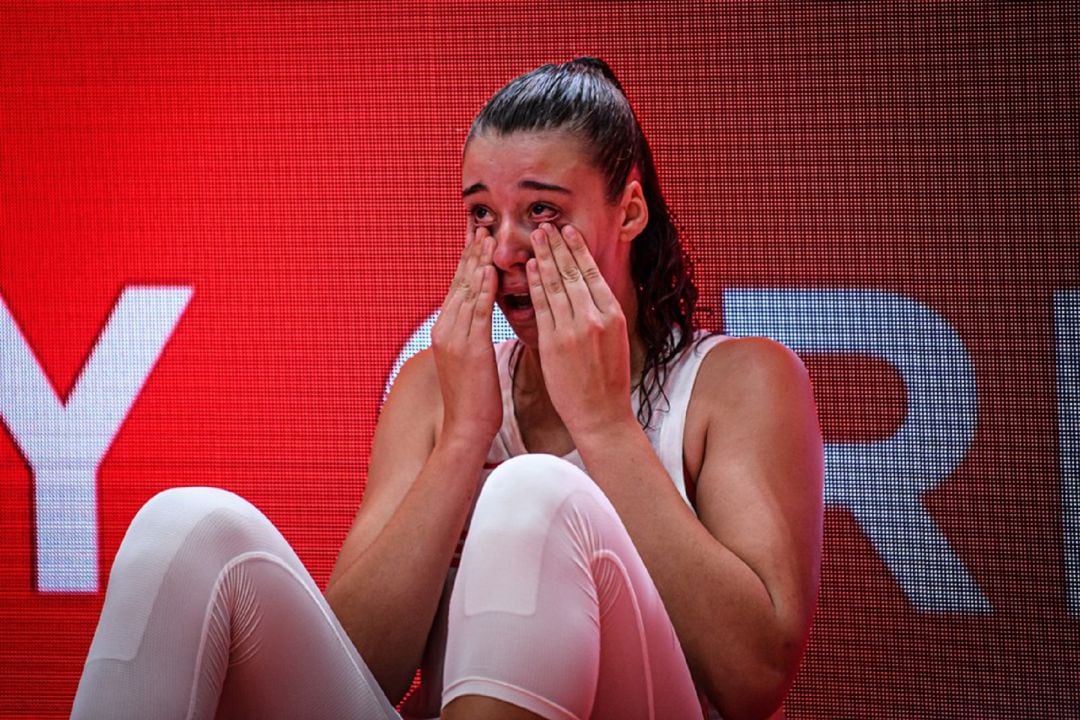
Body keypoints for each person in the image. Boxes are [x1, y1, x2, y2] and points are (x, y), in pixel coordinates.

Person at [71, 57, 823, 720]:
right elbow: (355, 668)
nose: (503, 251)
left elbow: (754, 680)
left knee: (534, 491)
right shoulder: (438, 387)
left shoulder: (738, 380)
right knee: (185, 525)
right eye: (481, 214)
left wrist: (605, 425)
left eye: (542, 212)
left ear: (627, 210)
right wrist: (464, 439)